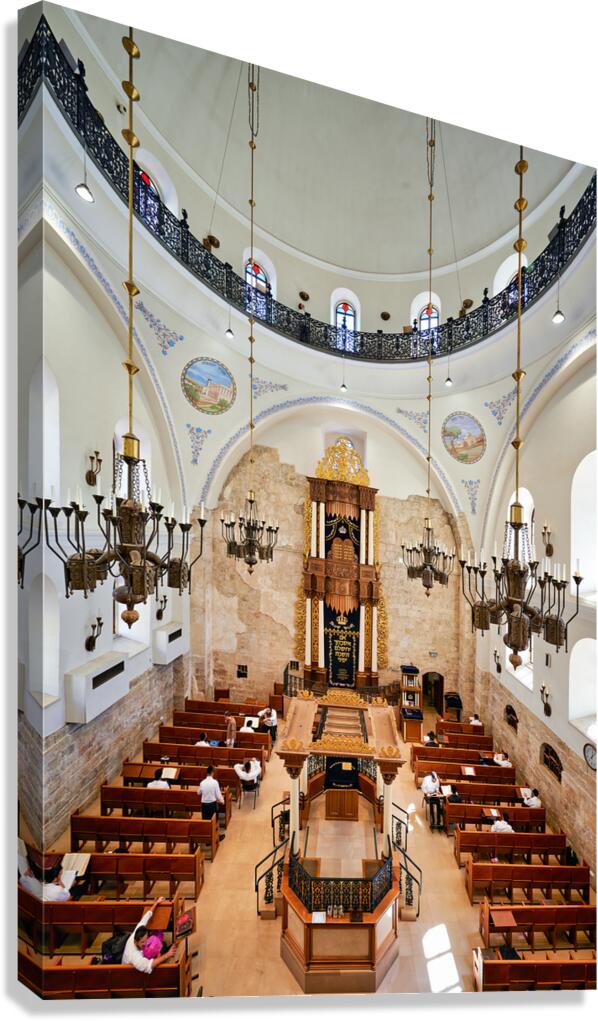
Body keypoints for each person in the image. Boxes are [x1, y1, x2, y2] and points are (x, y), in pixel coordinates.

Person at [122, 896, 176, 973]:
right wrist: (167, 955)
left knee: (162, 945)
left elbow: (147, 916)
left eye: (146, 940)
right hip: (132, 974)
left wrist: (156, 903)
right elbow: (149, 966)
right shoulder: (135, 956)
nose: (145, 943)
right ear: (135, 942)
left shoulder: (137, 931)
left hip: (140, 962)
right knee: (162, 949)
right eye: (142, 942)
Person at [198, 765, 226, 835]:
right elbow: (218, 795)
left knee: (206, 821)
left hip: (204, 805)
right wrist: (222, 801)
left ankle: (207, 836)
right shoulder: (215, 782)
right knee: (215, 821)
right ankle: (216, 836)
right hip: (212, 805)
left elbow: (198, 793)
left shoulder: (202, 782)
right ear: (212, 772)